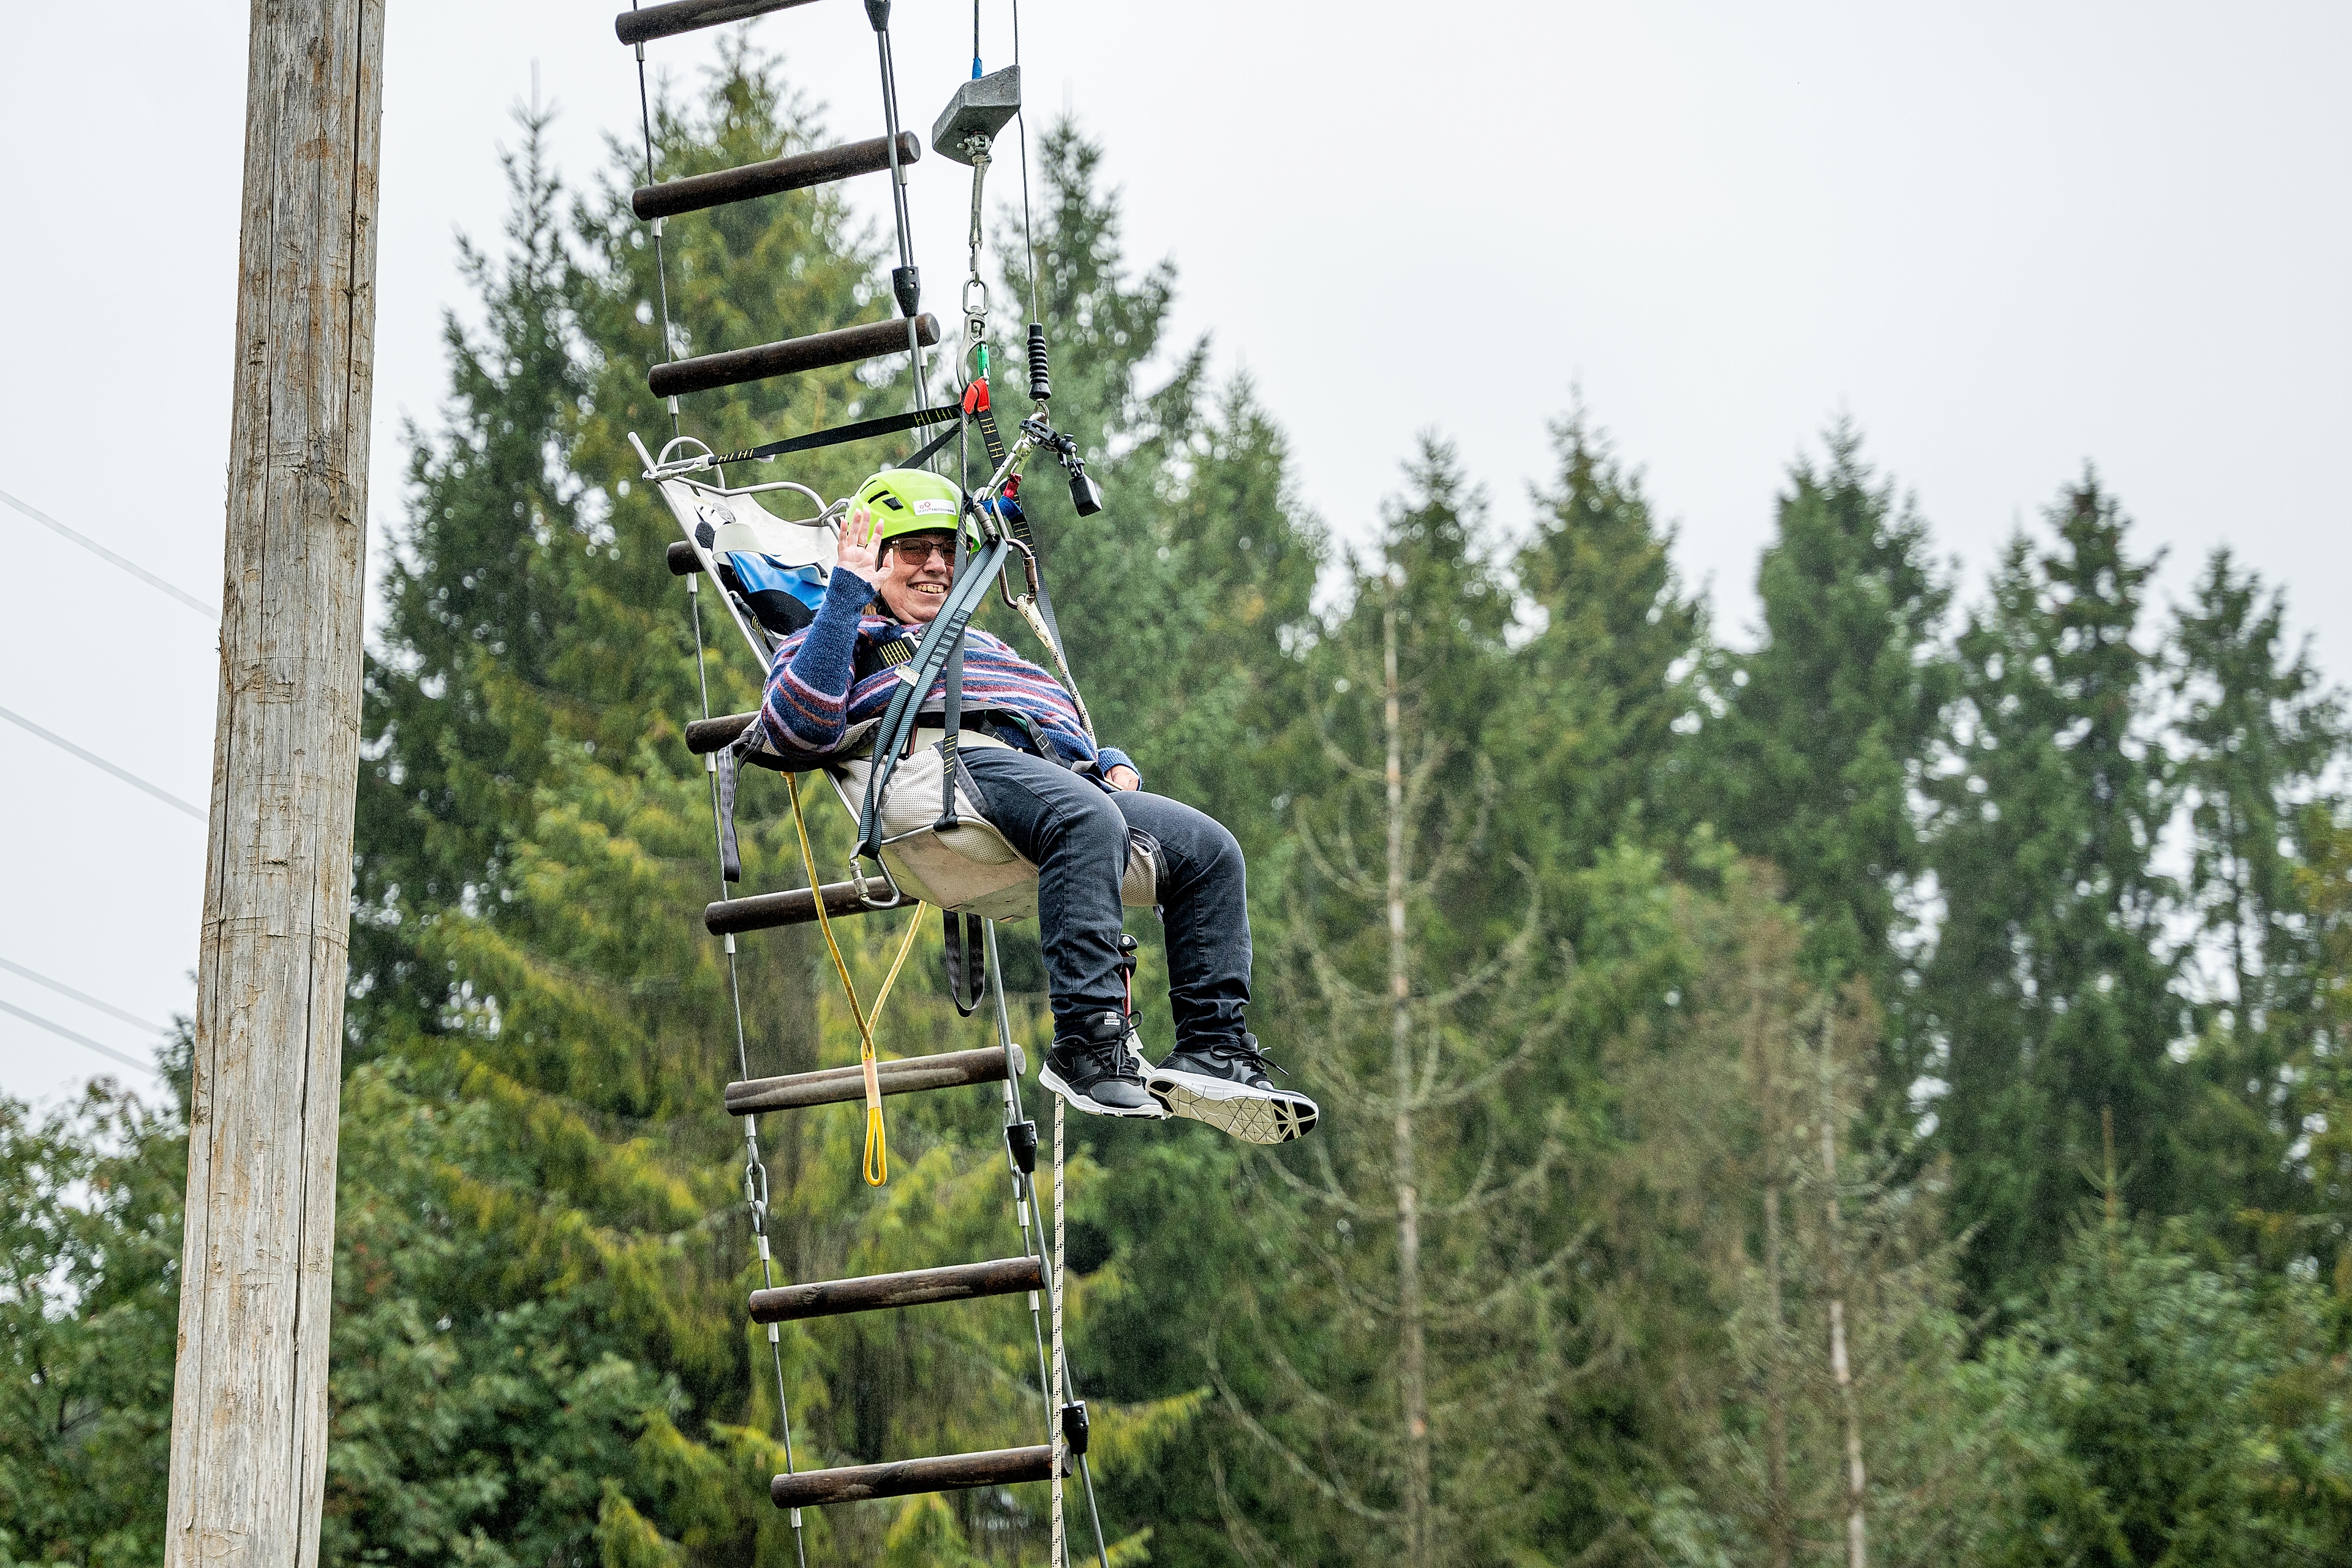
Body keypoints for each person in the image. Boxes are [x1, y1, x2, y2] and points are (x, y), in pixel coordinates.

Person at [747, 468, 1317, 1145]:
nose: (935, 564)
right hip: (938, 773)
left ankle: (1212, 1047)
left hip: (1052, 785)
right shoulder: (843, 636)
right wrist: (844, 593)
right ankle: (1087, 1044)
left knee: (1211, 852)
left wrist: (1104, 761)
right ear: (874, 559)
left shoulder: (983, 646)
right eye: (911, 549)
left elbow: (1053, 720)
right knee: (1088, 817)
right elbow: (793, 727)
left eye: (946, 549)